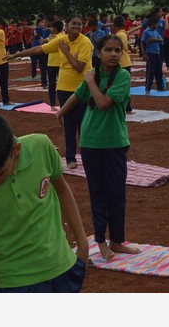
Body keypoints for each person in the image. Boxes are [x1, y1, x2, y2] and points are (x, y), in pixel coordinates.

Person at [0, 113, 88, 292]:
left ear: (16, 150)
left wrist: (83, 242)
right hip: (13, 283)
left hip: (63, 269)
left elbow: (62, 190)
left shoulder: (41, 146)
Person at [55, 35, 140, 261]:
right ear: (99, 53)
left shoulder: (122, 76)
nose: (113, 54)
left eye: (117, 50)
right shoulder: (95, 76)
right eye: (108, 50)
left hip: (114, 142)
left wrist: (90, 80)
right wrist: (60, 112)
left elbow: (102, 104)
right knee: (98, 193)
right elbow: (78, 95)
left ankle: (117, 241)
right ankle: (101, 242)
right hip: (91, 142)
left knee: (116, 193)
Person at [7, 16, 93, 171]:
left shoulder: (85, 42)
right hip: (64, 88)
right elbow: (40, 49)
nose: (77, 26)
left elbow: (79, 67)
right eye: (74, 23)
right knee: (69, 124)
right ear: (67, 26)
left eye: (79, 24)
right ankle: (71, 158)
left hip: (83, 89)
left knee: (84, 125)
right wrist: (17, 55)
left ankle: (87, 157)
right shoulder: (62, 40)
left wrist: (65, 52)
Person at [112, 15, 135, 114]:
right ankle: (128, 107)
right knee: (126, 85)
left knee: (119, 85)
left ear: (114, 25)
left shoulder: (118, 35)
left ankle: (126, 107)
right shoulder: (123, 34)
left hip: (120, 62)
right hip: (126, 61)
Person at [141, 16, 165, 94]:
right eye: (156, 24)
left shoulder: (155, 32)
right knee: (151, 71)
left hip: (157, 52)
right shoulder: (146, 32)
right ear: (152, 24)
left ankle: (160, 87)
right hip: (150, 53)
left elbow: (161, 40)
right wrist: (144, 54)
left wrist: (154, 40)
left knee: (159, 71)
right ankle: (148, 88)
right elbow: (142, 42)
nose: (157, 26)